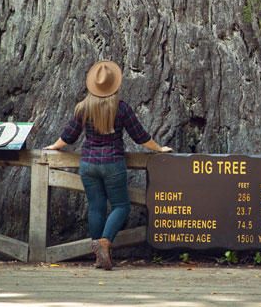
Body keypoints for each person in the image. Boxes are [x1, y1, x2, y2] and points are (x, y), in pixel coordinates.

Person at [44, 60, 172, 270]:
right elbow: (140, 136)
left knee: (96, 207)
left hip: (88, 164)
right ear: (115, 85)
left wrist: (53, 146)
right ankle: (104, 242)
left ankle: (99, 255)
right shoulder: (121, 109)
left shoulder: (83, 108)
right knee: (121, 206)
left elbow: (68, 136)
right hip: (113, 163)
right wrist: (159, 149)